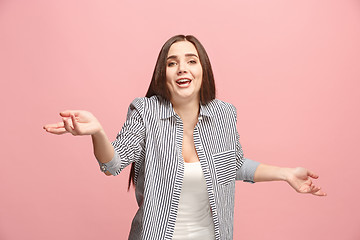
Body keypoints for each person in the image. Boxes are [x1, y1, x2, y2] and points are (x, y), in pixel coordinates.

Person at [43, 35, 326, 240]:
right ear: (163, 74)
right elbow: (113, 163)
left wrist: (286, 174)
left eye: (191, 61)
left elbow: (233, 165)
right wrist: (98, 132)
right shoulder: (145, 111)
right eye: (172, 63)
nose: (182, 68)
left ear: (202, 70)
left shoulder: (224, 114)